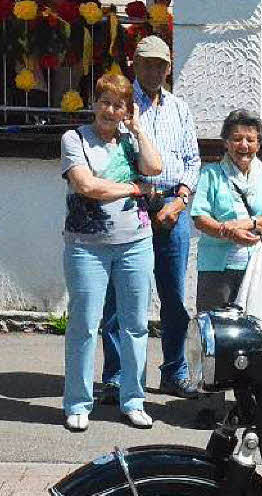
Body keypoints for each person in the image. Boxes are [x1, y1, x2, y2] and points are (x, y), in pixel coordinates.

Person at [60, 73, 163, 432]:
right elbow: (87, 185)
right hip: (86, 247)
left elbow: (155, 168)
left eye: (118, 105)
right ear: (94, 103)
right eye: (104, 101)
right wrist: (134, 188)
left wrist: (139, 130)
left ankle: (133, 401)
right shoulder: (74, 139)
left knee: (136, 325)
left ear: (127, 111)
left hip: (135, 243)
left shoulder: (131, 141)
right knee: (84, 325)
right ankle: (77, 403)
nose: (110, 109)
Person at [100, 35, 201, 402]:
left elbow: (193, 160)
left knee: (173, 295)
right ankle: (116, 376)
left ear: (169, 67)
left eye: (161, 64)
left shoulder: (180, 109)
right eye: (148, 63)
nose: (155, 70)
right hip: (132, 204)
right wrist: (141, 191)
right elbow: (110, 157)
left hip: (174, 206)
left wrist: (181, 200)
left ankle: (174, 372)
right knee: (120, 293)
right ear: (135, 65)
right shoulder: (121, 109)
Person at [191, 110, 262, 313]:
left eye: (250, 140)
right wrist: (227, 232)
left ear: (258, 144)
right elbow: (200, 217)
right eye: (237, 139)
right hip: (216, 268)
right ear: (226, 143)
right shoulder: (211, 173)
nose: (244, 145)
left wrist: (247, 224)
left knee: (256, 329)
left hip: (257, 266)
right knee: (216, 329)